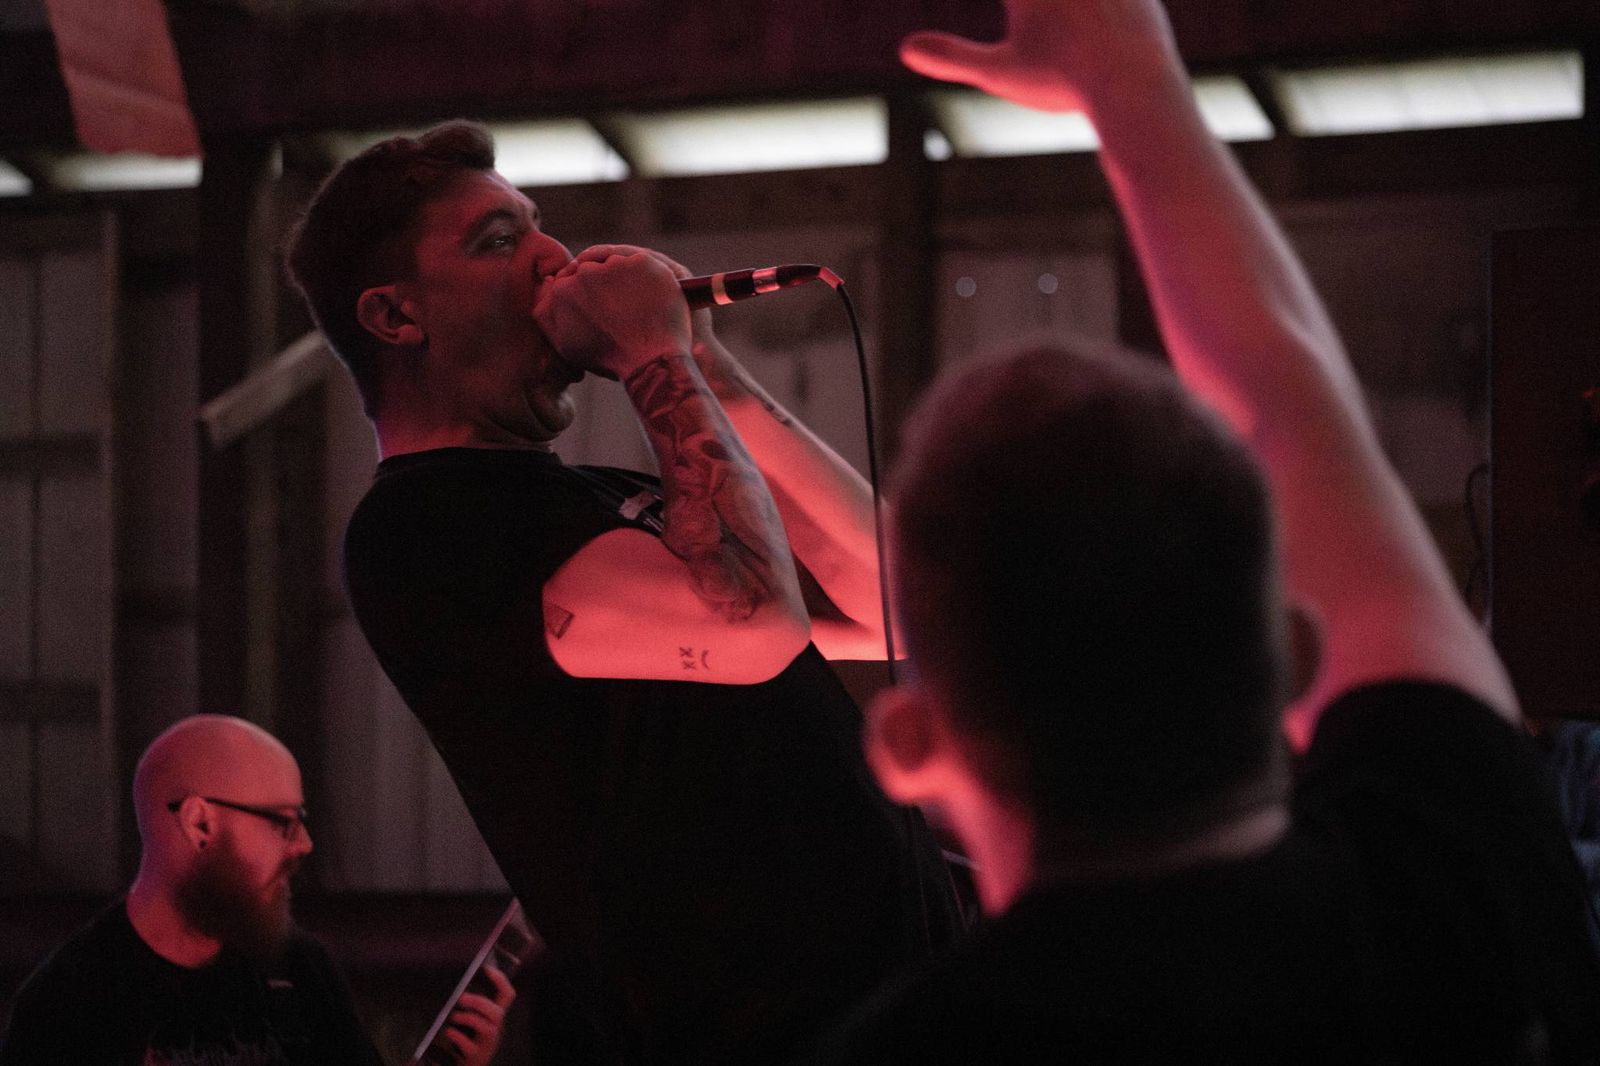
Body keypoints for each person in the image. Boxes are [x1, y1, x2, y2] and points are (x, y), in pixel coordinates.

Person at [811, 1, 1600, 1062]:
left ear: (908, 746)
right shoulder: (1455, 860)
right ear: (1293, 652)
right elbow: (1294, 406)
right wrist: (1127, 68)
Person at [284, 123, 958, 1062]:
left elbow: (892, 602)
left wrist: (707, 366)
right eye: (498, 240)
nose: (554, 257)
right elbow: (752, 624)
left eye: (538, 224)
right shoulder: (422, 529)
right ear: (397, 316)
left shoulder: (601, 494)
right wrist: (651, 355)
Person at [0, 715, 514, 1065]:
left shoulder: (301, 971)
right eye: (282, 822)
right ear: (199, 823)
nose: (305, 844)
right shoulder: (68, 1005)